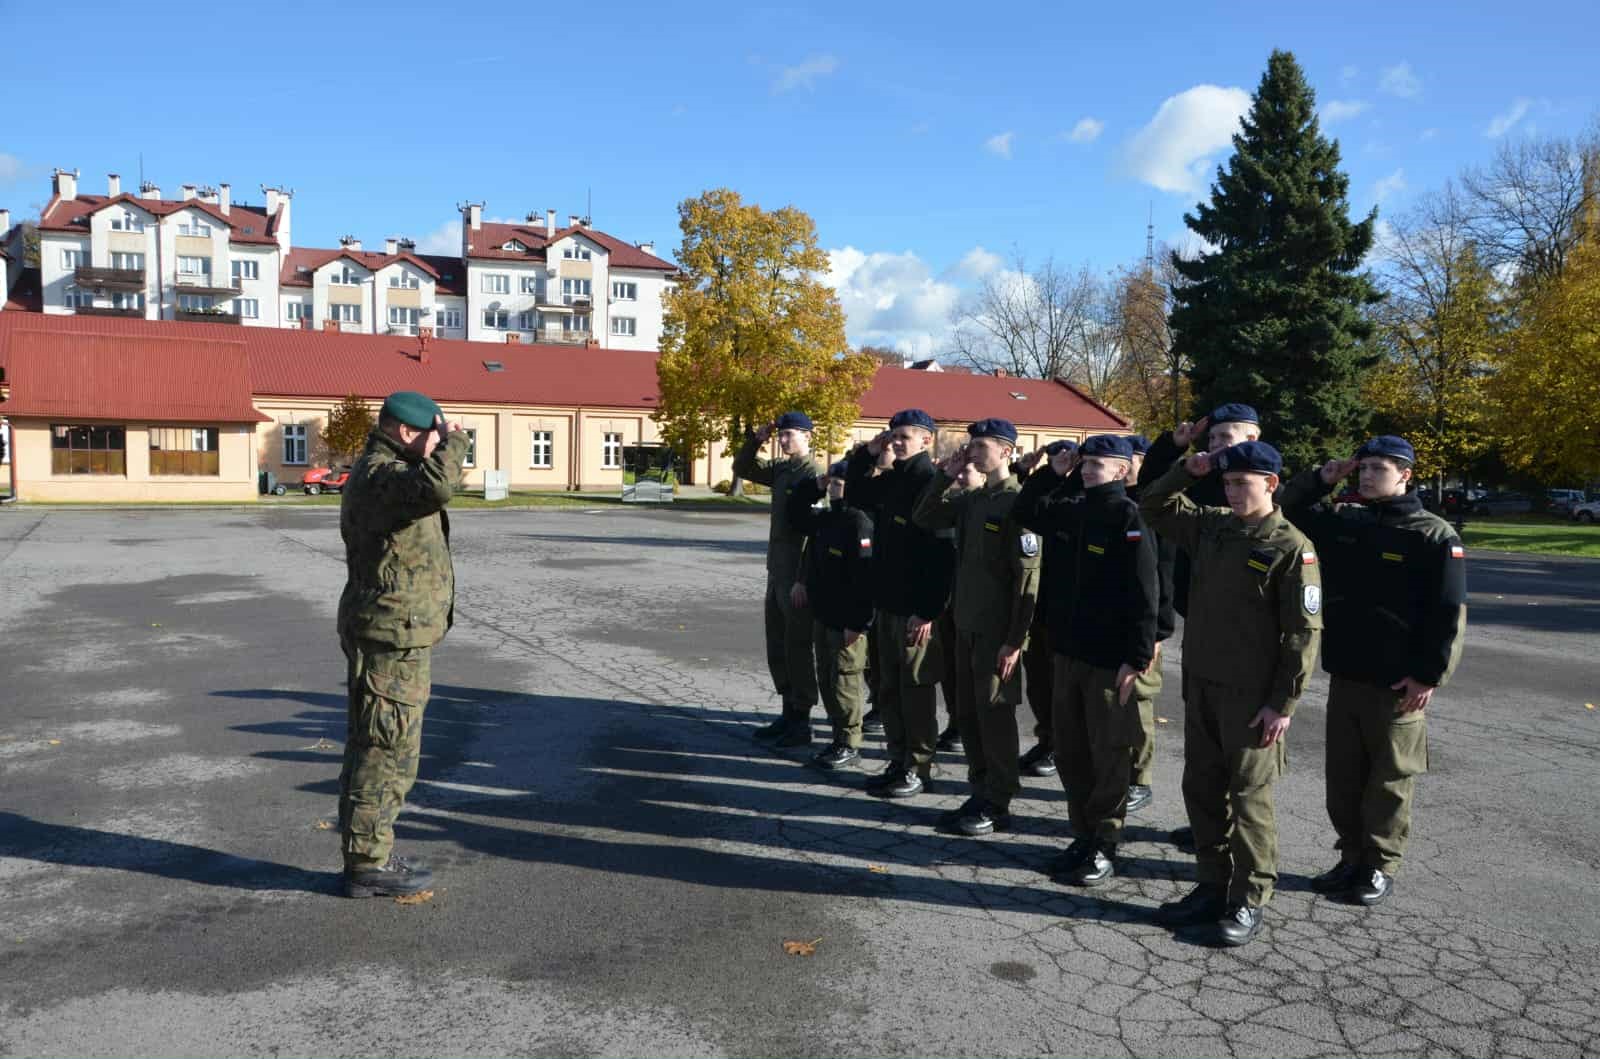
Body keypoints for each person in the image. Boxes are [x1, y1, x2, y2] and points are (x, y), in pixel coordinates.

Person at [1140, 440, 1322, 946]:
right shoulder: (1215, 527)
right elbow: (1152, 506)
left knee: (1249, 801)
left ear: (1270, 484)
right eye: (1225, 483)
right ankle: (1212, 884)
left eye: (1242, 483)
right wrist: (1186, 470)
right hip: (1202, 685)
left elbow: (1302, 635)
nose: (1232, 491)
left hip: (1251, 697)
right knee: (1201, 790)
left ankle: (1248, 899)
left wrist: (1282, 704)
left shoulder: (1291, 547)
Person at [1280, 435, 1467, 905]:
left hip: (1398, 683)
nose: (1365, 476)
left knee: (1388, 780)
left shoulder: (1433, 534)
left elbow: (1448, 614)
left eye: (1377, 469)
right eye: (1361, 468)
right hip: (1348, 673)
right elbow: (1286, 507)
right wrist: (1324, 478)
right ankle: (1350, 857)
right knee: (1343, 778)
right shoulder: (1349, 521)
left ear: (1405, 475)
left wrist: (1429, 675)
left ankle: (1379, 866)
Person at [336, 390, 470, 898]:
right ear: (409, 432)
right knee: (384, 749)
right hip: (390, 635)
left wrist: (442, 443)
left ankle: (372, 850)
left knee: (385, 746)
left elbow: (431, 485)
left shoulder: (388, 473)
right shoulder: (379, 475)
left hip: (398, 632)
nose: (438, 445)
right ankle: (367, 863)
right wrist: (454, 439)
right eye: (430, 436)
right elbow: (438, 487)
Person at [1015, 435, 1159, 884]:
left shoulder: (1127, 517)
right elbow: (1023, 512)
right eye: (1085, 462)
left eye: (1098, 463)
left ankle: (1105, 843)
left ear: (1120, 470)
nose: (1089, 468)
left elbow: (1145, 594)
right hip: (1068, 651)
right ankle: (1082, 833)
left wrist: (1135, 658)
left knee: (1107, 756)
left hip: (1106, 658)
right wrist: (1049, 472)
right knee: (1071, 751)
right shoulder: (1071, 508)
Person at [1137, 404, 1261, 849]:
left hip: (1247, 634)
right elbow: (1149, 492)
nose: (1220, 447)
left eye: (1231, 438)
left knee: (1240, 745)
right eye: (1214, 439)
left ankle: (1236, 842)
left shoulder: (1263, 486)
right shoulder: (1202, 479)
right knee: (1205, 739)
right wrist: (1176, 447)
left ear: (1254, 439)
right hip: (1201, 621)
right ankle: (1211, 824)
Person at [913, 419, 1042, 836]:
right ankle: (980, 788)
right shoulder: (973, 499)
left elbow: (1027, 581)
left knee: (995, 718)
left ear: (1006, 451)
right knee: (967, 715)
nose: (972, 451)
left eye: (981, 445)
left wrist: (1015, 641)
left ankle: (999, 800)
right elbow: (924, 516)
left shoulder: (1017, 504)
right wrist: (942, 476)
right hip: (964, 625)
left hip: (996, 634)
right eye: (971, 444)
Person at [845, 410, 956, 798]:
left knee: (915, 691)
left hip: (915, 612)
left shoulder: (931, 483)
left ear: (927, 440)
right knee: (888, 689)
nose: (895, 442)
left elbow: (943, 558)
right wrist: (868, 453)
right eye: (891, 436)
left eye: (904, 437)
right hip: (887, 606)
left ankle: (918, 767)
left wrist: (928, 612)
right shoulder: (893, 480)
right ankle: (898, 759)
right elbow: (855, 494)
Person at [733, 412, 824, 748]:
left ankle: (802, 718)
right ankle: (788, 711)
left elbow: (815, 534)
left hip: (798, 575)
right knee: (778, 643)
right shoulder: (783, 469)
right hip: (777, 570)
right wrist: (755, 440)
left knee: (798, 645)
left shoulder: (812, 474)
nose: (783, 440)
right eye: (781, 435)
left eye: (790, 435)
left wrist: (802, 578)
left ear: (808, 437)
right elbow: (743, 469)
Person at [787, 460, 877, 770]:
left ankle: (850, 742)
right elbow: (795, 512)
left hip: (847, 621)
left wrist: (859, 623)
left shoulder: (859, 522)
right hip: (824, 615)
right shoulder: (827, 518)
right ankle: (839, 737)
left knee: (845, 682)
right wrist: (817, 483)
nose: (835, 486)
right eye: (833, 481)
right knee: (827, 680)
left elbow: (867, 579)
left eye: (841, 481)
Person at [1122, 434, 1176, 816]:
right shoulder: (1116, 503)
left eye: (1137, 458)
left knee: (1139, 704)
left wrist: (1158, 631)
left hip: (1145, 622)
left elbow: (1165, 573)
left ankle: (1139, 780)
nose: (1130, 464)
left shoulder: (1156, 511)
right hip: (1113, 618)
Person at [1018, 440, 1076, 779]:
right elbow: (1025, 511)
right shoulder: (1047, 489)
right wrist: (1045, 474)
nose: (1064, 461)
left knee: (1062, 687)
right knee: (1038, 683)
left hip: (1067, 611)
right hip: (1040, 606)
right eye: (1056, 455)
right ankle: (1047, 740)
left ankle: (1061, 748)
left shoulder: (1083, 496)